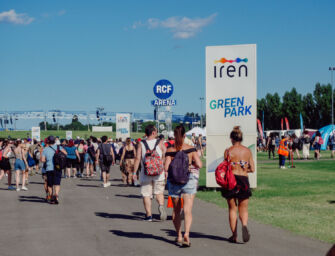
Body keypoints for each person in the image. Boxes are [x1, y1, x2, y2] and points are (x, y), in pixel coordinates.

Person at [164, 125, 202, 247]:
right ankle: (187, 234)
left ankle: (179, 235)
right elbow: (200, 165)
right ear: (185, 135)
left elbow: (165, 167)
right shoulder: (191, 149)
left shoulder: (170, 150)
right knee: (187, 210)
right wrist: (191, 165)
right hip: (188, 178)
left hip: (174, 180)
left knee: (176, 210)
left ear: (174, 136)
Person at [221, 126, 255, 243]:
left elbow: (224, 168)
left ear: (231, 138)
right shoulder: (247, 151)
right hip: (244, 179)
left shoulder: (228, 151)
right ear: (241, 138)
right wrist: (244, 170)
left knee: (232, 208)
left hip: (231, 180)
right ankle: (244, 225)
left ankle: (234, 235)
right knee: (243, 208)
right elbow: (252, 169)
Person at [133, 124, 167, 222]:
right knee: (159, 192)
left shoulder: (141, 143)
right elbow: (165, 153)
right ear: (153, 132)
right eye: (156, 131)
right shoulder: (160, 142)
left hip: (145, 172)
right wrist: (163, 165)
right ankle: (161, 205)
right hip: (159, 172)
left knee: (146, 194)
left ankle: (149, 215)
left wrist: (135, 172)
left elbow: (138, 158)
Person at [41, 136, 67, 204]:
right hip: (58, 167)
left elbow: (43, 160)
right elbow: (65, 154)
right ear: (54, 141)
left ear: (48, 141)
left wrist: (48, 159)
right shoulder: (59, 147)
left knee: (50, 184)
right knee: (57, 183)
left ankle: (52, 196)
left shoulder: (45, 149)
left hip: (49, 168)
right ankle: (56, 196)